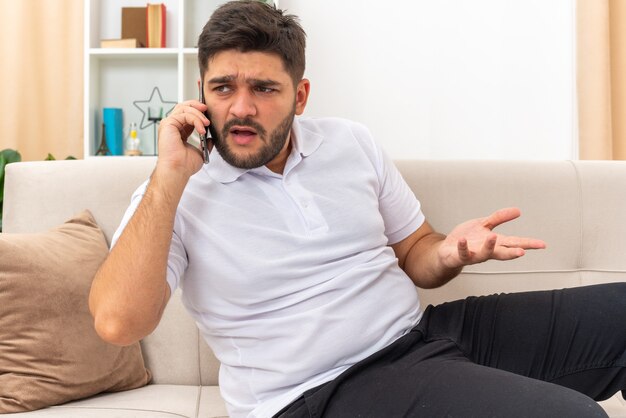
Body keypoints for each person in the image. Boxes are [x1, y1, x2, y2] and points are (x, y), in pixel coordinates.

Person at [89, 2, 626, 417]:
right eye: (223, 88)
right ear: (201, 93)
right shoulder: (174, 191)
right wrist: (169, 176)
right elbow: (118, 323)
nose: (241, 107)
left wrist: (453, 251)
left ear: (300, 96)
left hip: (422, 336)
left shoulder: (349, 143)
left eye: (263, 88)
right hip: (320, 391)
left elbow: (417, 251)